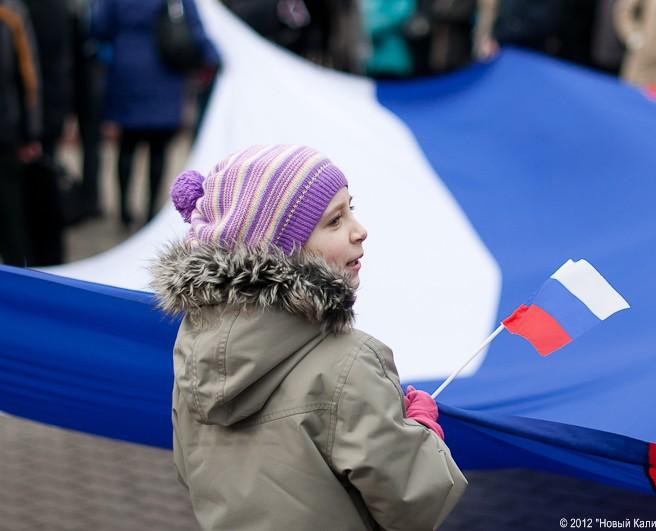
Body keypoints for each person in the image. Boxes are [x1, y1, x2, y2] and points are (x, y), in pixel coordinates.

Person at [151, 144, 467, 531]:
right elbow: (413, 504)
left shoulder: (193, 348)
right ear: (282, 250)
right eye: (334, 221)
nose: (359, 230)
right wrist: (421, 433)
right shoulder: (351, 363)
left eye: (351, 209)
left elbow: (189, 471)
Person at [91, 0, 219, 227]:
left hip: (126, 70)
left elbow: (99, 26)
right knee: (158, 148)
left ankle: (124, 212)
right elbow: (195, 28)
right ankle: (151, 212)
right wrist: (214, 56)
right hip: (165, 72)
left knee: (126, 145)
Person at [0, 0, 42, 266]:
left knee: (12, 217)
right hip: (7, 129)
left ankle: (18, 273)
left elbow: (27, 76)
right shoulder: (11, 13)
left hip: (6, 133)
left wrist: (30, 133)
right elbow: (28, 78)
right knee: (11, 215)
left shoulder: (11, 14)